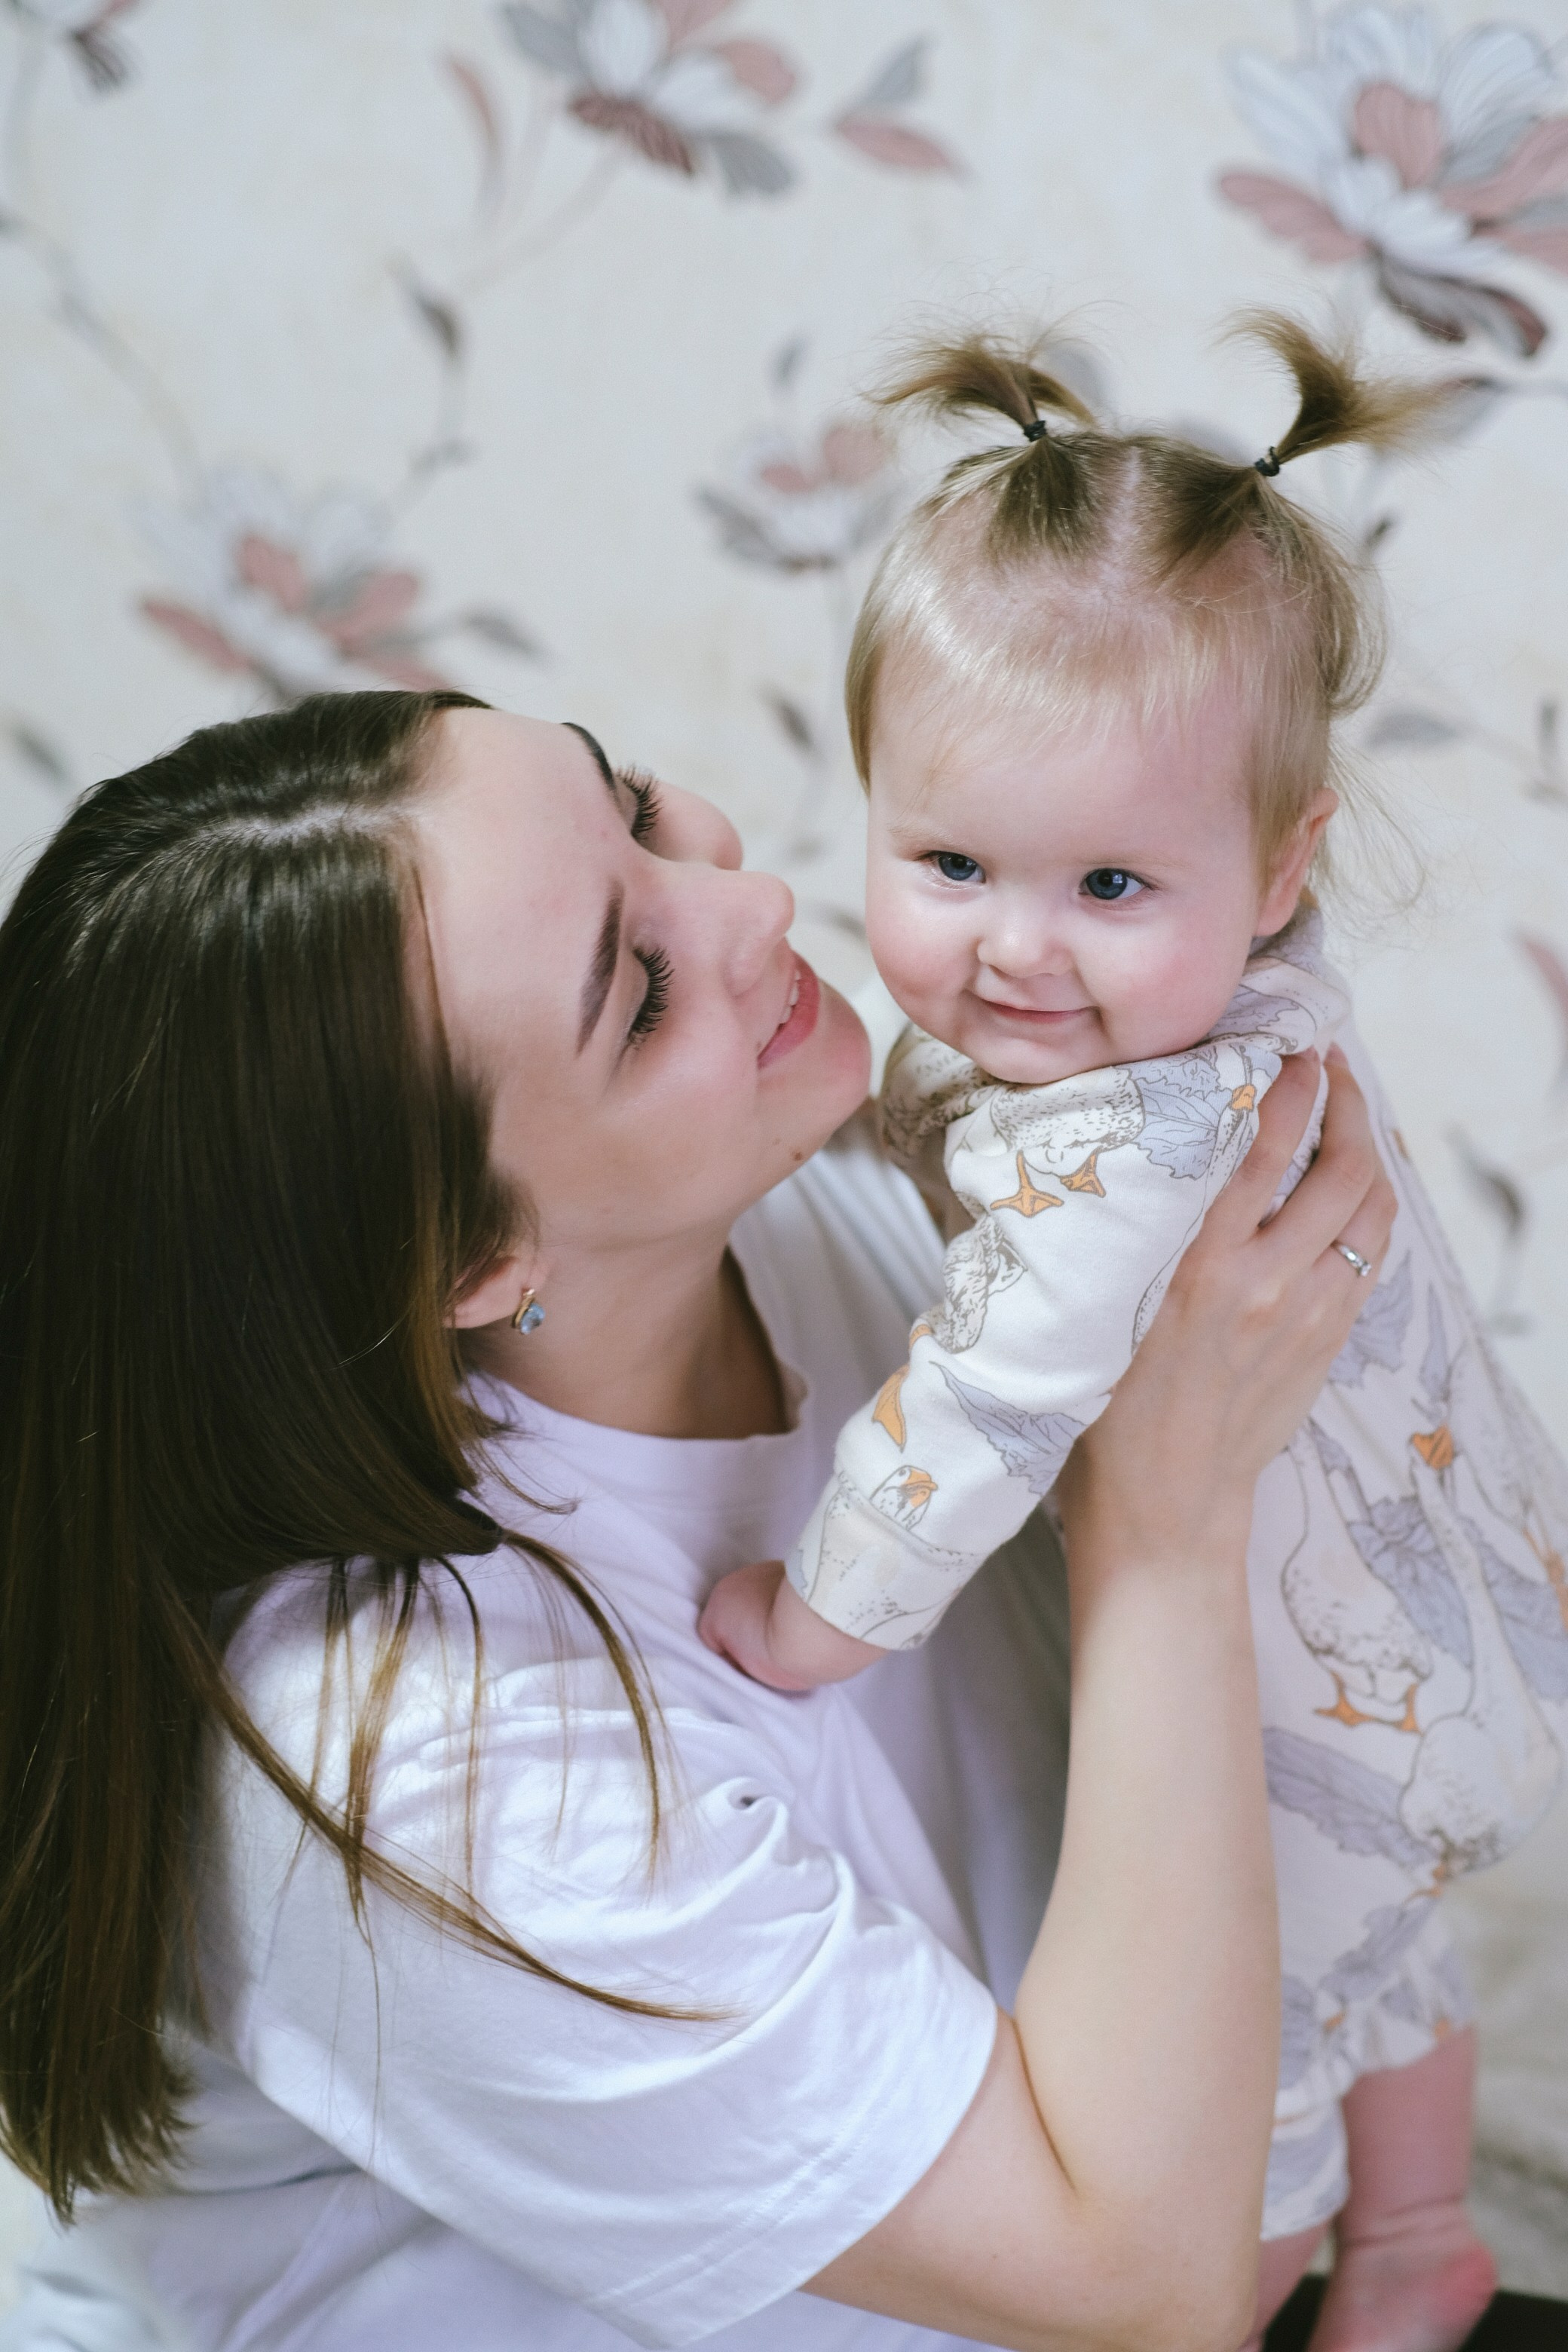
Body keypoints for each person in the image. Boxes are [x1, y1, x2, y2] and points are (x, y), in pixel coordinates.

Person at [0, 690, 1392, 2352]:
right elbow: (1145, 2294)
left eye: (638, 803)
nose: (750, 904)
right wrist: (1164, 1524)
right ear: (470, 1268)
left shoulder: (779, 1195)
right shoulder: (423, 1776)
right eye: (640, 988)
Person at [697, 320, 1568, 2352]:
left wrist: (820, 1617)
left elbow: (984, 1405)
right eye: (946, 863)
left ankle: (1262, 2273)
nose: (1014, 946)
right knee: (1394, 1956)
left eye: (1106, 880)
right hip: (1452, 1593)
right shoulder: (1252, 1001)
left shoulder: (1124, 1153)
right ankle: (1427, 2231)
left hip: (1293, 1669)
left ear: (1279, 871)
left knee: (1241, 2030)